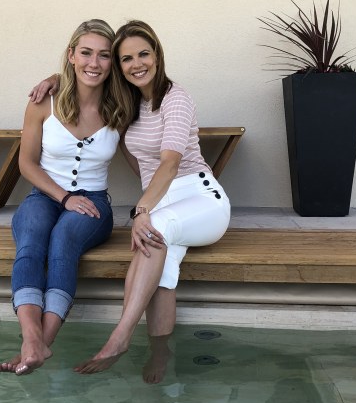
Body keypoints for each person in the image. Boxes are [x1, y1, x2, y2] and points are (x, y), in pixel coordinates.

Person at [32, 21, 231, 379]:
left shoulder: (176, 97)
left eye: (144, 54)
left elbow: (170, 163)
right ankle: (160, 357)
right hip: (165, 204)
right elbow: (85, 73)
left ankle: (120, 336)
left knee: (151, 230)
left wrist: (142, 210)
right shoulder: (129, 103)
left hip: (202, 199)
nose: (136, 63)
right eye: (126, 58)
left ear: (157, 56)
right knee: (163, 272)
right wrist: (54, 78)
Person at [0, 19, 132, 376]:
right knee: (33, 238)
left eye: (104, 56)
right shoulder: (44, 103)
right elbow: (26, 162)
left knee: (64, 239)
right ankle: (31, 340)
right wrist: (63, 196)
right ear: (71, 55)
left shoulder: (121, 107)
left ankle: (42, 344)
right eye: (85, 52)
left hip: (94, 202)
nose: (94, 63)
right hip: (44, 194)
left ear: (112, 63)